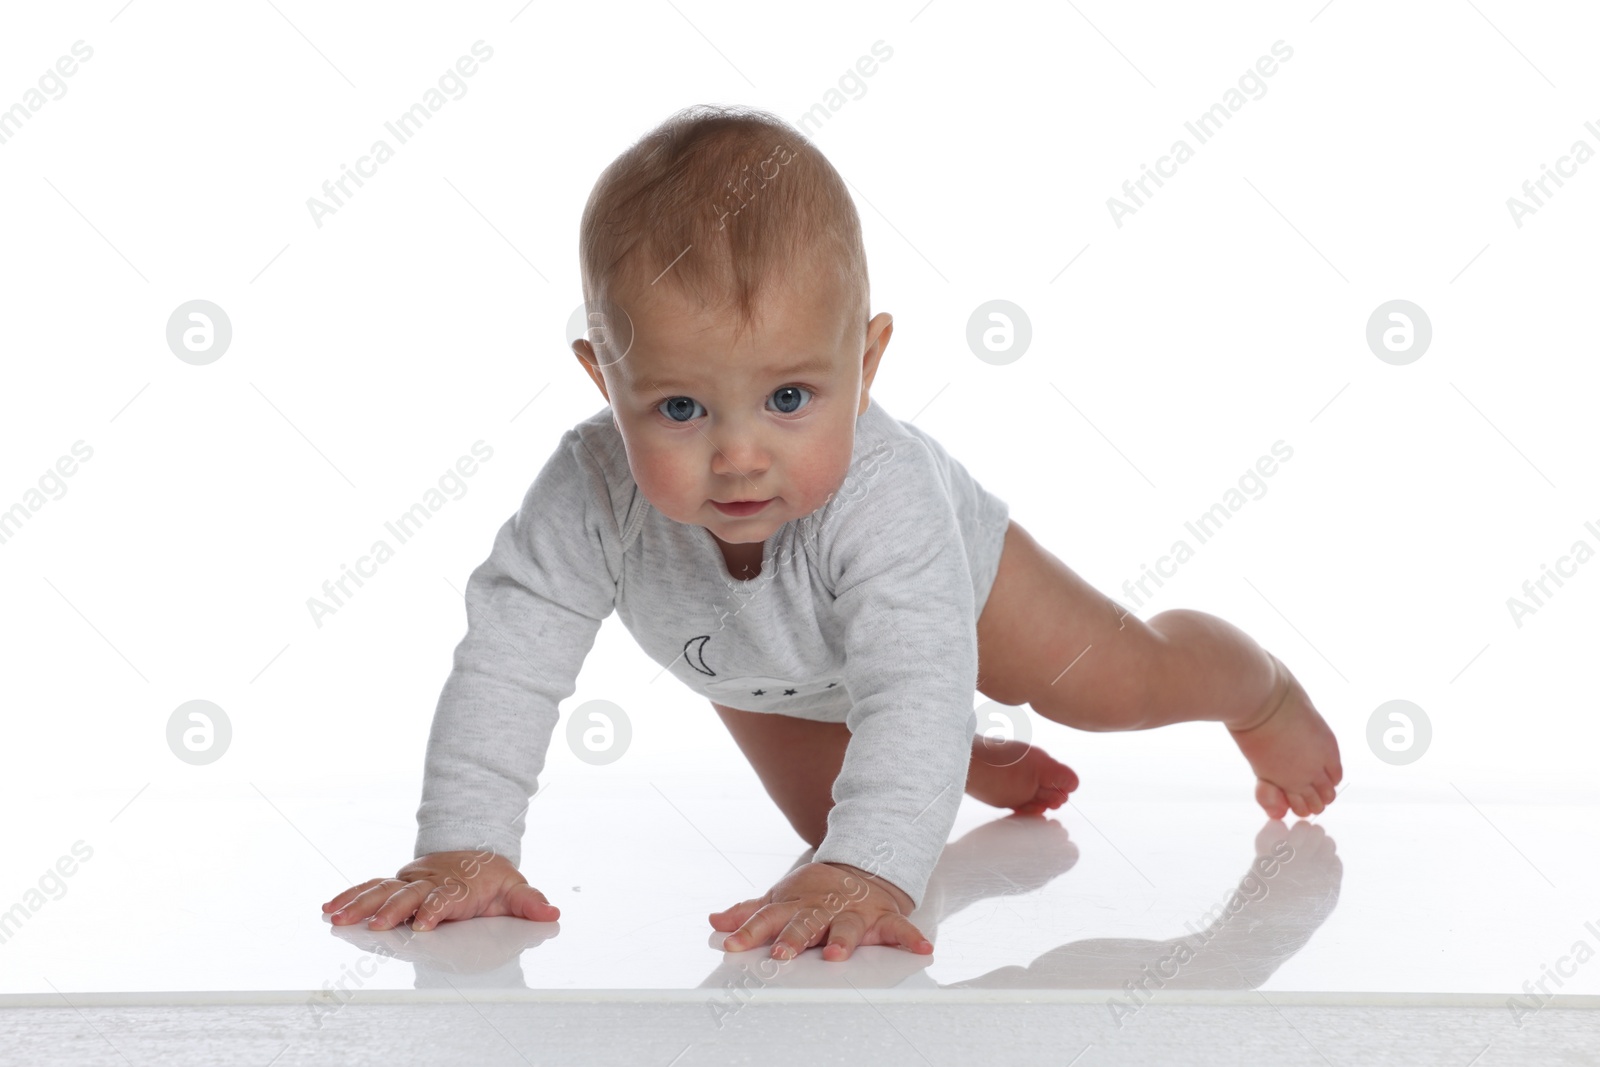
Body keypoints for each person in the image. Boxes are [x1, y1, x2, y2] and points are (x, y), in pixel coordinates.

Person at [322, 104, 1342, 963]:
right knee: (837, 830)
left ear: (867, 363)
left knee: (1113, 691)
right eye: (679, 409)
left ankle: (1251, 684)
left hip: (957, 600)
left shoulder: (883, 497)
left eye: (791, 396)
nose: (738, 456)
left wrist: (868, 872)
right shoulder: (585, 489)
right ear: (604, 377)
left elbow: (907, 674)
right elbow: (506, 657)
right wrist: (462, 846)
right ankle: (950, 758)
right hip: (754, 658)